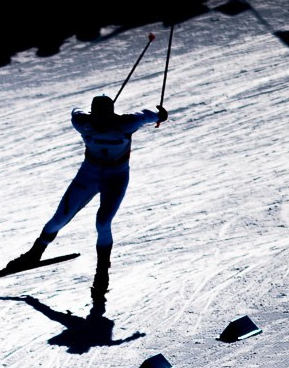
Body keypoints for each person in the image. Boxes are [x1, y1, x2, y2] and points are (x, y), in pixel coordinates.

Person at [10, 90, 170, 299]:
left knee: (103, 223)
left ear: (110, 114)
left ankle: (101, 273)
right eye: (96, 117)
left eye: (102, 117)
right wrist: (159, 115)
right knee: (60, 218)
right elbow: (76, 111)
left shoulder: (125, 123)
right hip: (89, 174)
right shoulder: (85, 122)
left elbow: (145, 115)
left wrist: (159, 116)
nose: (99, 122)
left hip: (115, 178)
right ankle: (34, 254)